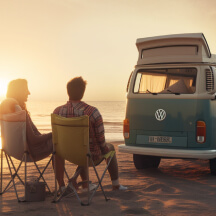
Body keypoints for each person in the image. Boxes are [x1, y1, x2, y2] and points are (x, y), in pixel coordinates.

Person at [53, 76, 127, 191]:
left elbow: (56, 138)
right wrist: (104, 150)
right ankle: (116, 185)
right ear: (83, 92)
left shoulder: (57, 112)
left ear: (68, 91)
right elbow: (101, 139)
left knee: (79, 149)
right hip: (88, 155)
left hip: (66, 154)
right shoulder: (92, 112)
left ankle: (63, 187)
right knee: (110, 148)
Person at [0, 79, 65, 191]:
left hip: (11, 150)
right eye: (26, 89)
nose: (29, 92)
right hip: (30, 152)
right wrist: (55, 133)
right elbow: (34, 140)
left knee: (57, 139)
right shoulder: (20, 112)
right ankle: (63, 186)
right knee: (60, 142)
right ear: (19, 91)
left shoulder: (8, 111)